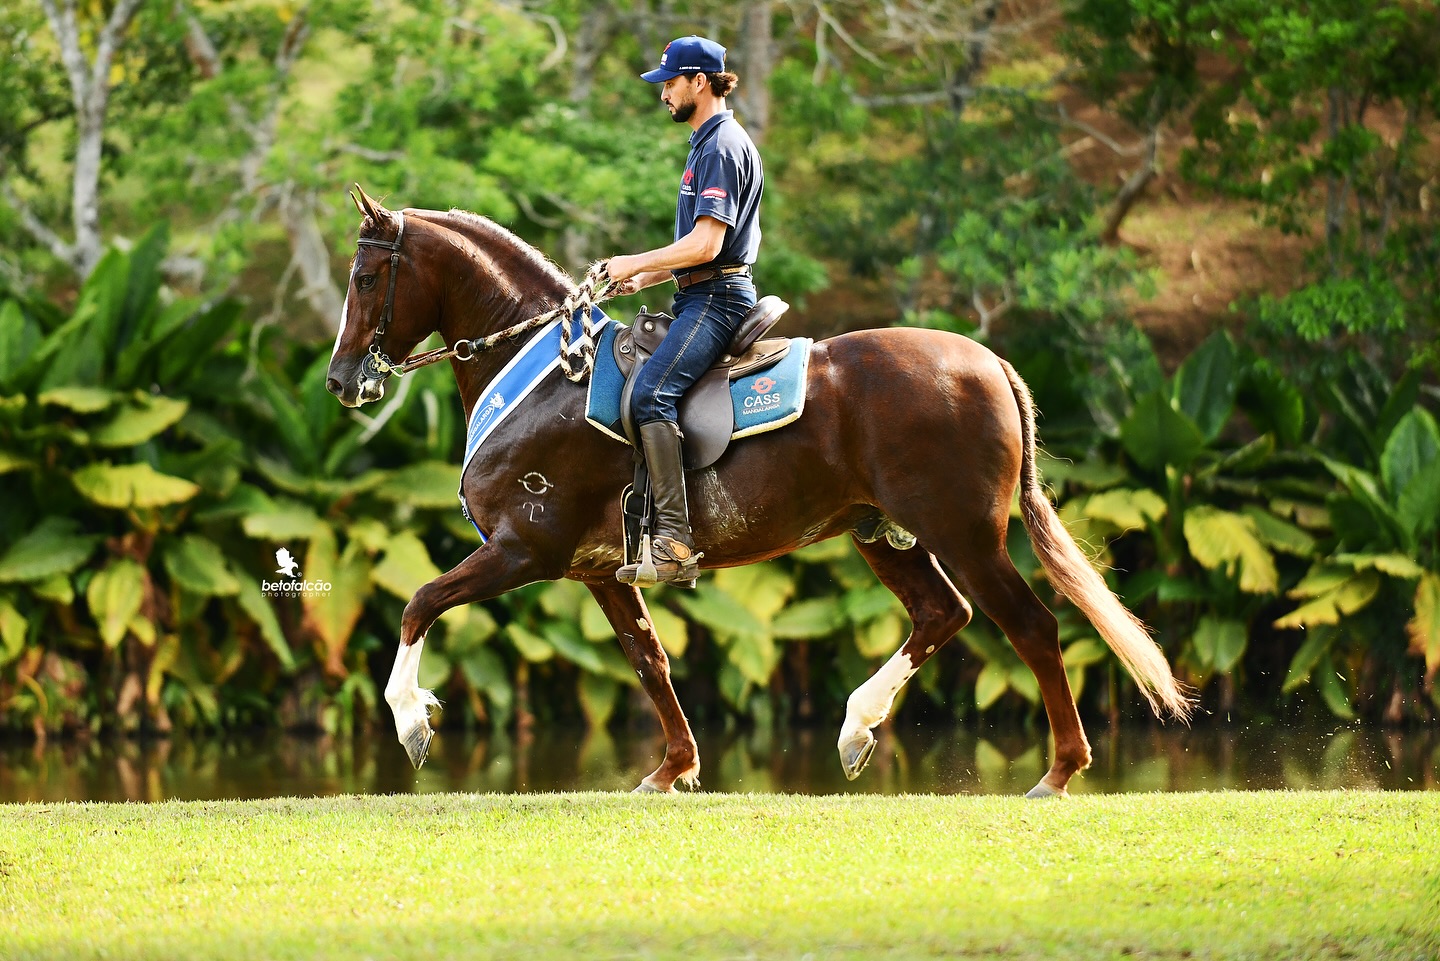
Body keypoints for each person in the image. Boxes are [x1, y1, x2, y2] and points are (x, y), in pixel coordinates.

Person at [606, 35, 764, 587]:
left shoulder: (721, 146)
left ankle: (674, 539)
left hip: (715, 301)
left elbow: (707, 247)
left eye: (670, 83)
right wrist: (635, 277)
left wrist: (633, 259)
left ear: (700, 82)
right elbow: (691, 256)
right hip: (699, 290)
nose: (664, 93)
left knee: (652, 395)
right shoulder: (706, 142)